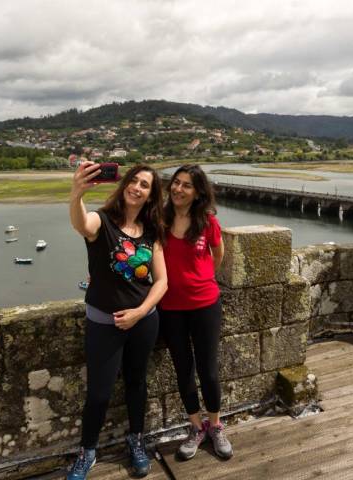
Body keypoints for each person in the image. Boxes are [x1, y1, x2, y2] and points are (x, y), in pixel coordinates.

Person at [67, 162, 168, 480]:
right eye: (134, 181)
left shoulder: (152, 232)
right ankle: (87, 452)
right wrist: (76, 193)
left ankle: (136, 440)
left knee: (137, 384)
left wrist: (140, 312)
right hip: (103, 324)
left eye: (145, 185)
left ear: (151, 195)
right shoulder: (103, 221)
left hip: (143, 321)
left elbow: (161, 282)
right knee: (99, 393)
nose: (137, 187)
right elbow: (82, 224)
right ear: (124, 184)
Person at [158, 164, 233, 461]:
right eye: (176, 183)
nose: (178, 189)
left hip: (205, 305)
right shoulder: (159, 220)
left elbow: (219, 254)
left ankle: (215, 425)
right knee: (183, 370)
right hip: (171, 307)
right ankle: (195, 427)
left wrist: (201, 281)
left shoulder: (207, 222)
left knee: (208, 370)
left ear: (198, 191)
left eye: (186, 185)